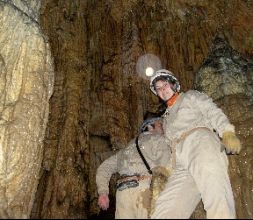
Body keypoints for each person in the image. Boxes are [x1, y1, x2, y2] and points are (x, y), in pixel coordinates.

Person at [149, 69, 242, 219]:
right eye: (158, 88)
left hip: (200, 143)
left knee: (215, 193)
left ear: (174, 84)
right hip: (181, 162)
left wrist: (227, 131)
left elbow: (211, 111)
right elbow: (170, 146)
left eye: (165, 85)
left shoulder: (190, 96)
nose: (162, 90)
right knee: (166, 207)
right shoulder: (166, 118)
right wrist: (167, 168)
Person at [96, 114, 172, 219]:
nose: (164, 128)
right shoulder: (158, 139)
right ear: (150, 126)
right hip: (144, 190)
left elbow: (104, 168)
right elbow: (165, 167)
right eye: (161, 124)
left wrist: (103, 192)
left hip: (122, 193)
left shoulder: (126, 149)